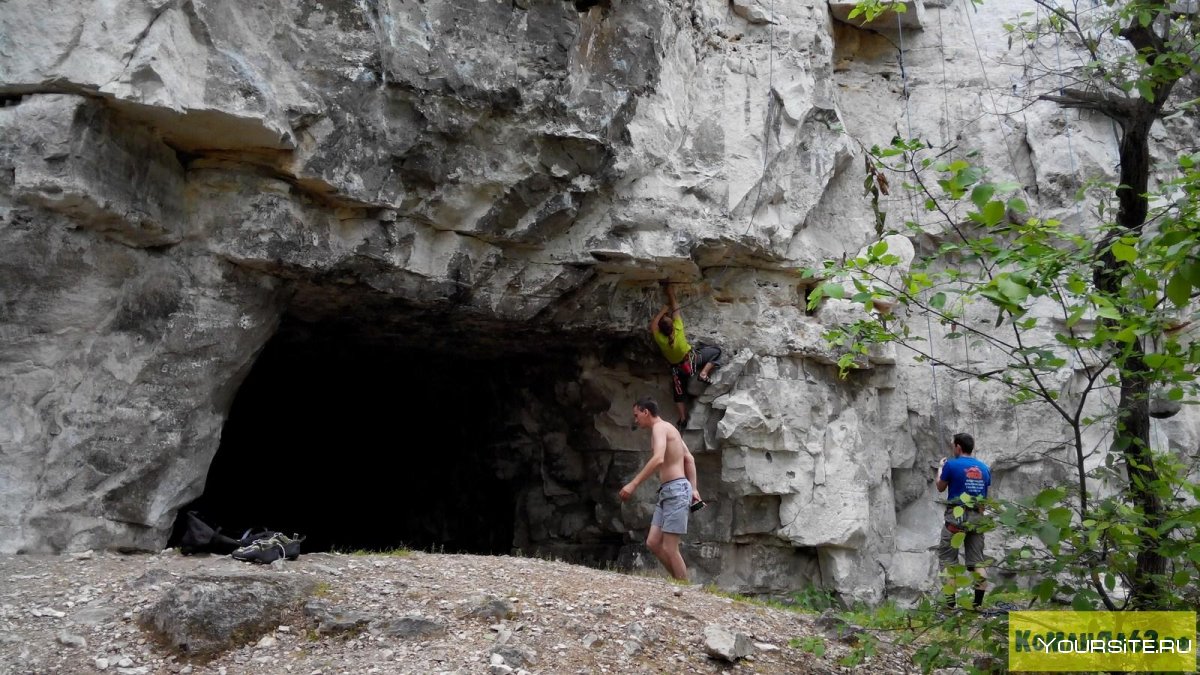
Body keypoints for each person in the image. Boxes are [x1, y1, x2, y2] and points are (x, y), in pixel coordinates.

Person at [620, 397, 702, 581]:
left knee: (670, 548)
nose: (636, 420)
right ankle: (679, 582)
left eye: (636, 415)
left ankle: (685, 589)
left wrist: (633, 484)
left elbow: (658, 459)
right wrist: (694, 488)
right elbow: (689, 459)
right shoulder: (670, 428)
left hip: (676, 491)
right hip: (670, 491)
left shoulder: (659, 429)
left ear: (645, 412)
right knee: (653, 542)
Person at [649, 283, 722, 428]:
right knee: (717, 352)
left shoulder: (661, 340)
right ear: (672, 325)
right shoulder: (678, 329)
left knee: (678, 392)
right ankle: (704, 373)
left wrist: (662, 310)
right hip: (692, 361)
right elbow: (676, 307)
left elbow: (653, 325)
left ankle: (682, 418)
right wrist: (670, 292)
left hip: (678, 369)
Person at [936, 432, 992, 609]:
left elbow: (940, 487)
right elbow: (984, 498)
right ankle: (977, 604)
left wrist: (940, 469)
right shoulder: (984, 468)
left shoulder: (951, 465)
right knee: (978, 561)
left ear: (958, 447)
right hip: (977, 517)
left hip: (956, 516)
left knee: (948, 562)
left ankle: (950, 606)